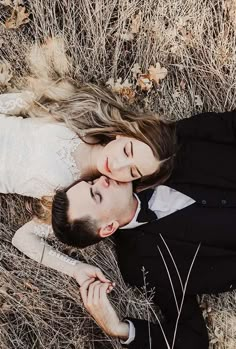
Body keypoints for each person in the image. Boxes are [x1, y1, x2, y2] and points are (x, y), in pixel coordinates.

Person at [51, 110, 236, 348]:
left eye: (91, 182)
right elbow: (192, 338)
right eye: (97, 195)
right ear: (108, 228)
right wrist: (119, 328)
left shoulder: (151, 153)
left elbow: (230, 124)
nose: (102, 180)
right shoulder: (141, 265)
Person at [0, 82, 175, 286]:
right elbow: (30, 99)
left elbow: (23, 238)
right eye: (127, 151)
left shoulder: (79, 198)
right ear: (125, 134)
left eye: (133, 171)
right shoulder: (84, 117)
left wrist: (75, 268)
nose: (118, 165)